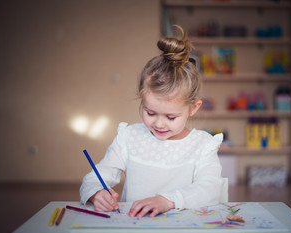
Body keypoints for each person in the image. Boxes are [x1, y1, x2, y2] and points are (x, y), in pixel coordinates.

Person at [80, 25, 223, 218]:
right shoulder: (129, 137)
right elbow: (94, 178)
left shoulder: (203, 145)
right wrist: (96, 193)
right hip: (135, 229)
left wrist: (167, 201)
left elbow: (210, 189)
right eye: (150, 112)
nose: (159, 124)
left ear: (193, 108)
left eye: (171, 117)